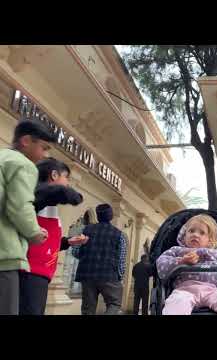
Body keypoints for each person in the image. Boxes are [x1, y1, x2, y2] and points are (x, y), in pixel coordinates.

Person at [19, 157, 87, 315]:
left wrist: (68, 242)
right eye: (66, 178)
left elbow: (46, 239)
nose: (68, 183)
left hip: (41, 274)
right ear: (54, 175)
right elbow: (41, 197)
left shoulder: (51, 206)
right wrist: (62, 192)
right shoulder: (37, 198)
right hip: (30, 273)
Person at [0, 121, 52, 315]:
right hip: (4, 255)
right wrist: (34, 233)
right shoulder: (23, 164)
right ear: (26, 141)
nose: (45, 155)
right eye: (43, 148)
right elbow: (20, 206)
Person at [156, 214, 217, 315]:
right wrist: (181, 261)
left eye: (202, 233)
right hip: (184, 290)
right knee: (176, 302)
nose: (195, 235)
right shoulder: (177, 250)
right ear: (184, 236)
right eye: (191, 231)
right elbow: (161, 265)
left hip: (212, 290)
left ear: (210, 240)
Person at [74, 203, 127, 315]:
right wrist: (120, 276)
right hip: (109, 276)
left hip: (87, 275)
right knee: (114, 304)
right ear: (111, 216)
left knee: (88, 309)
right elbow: (121, 260)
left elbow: (76, 252)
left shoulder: (85, 230)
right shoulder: (119, 235)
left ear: (97, 216)